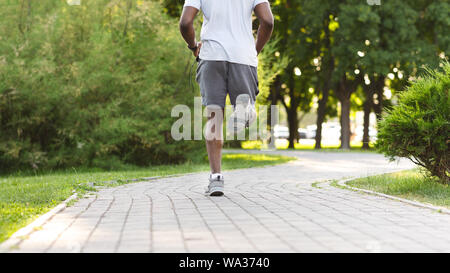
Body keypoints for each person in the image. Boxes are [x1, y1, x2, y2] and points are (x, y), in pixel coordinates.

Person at [179, 0, 274, 196]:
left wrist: (192, 46)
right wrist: (253, 50)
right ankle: (245, 107)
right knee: (243, 106)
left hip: (211, 56)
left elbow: (185, 23)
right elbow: (268, 21)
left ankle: (216, 178)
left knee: (214, 117)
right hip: (243, 56)